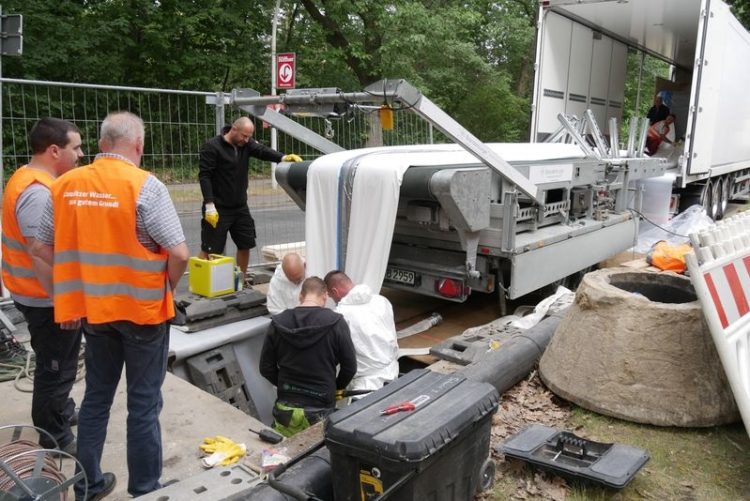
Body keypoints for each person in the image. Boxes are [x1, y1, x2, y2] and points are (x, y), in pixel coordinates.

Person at [31, 111, 190, 500]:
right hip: (142, 315)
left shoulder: (64, 185)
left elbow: (40, 247)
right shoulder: (145, 187)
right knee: (143, 404)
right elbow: (180, 253)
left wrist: (74, 290)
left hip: (94, 314)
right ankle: (145, 489)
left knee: (97, 398)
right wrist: (163, 287)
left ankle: (88, 485)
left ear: (102, 144)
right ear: (138, 145)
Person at [1, 118, 84, 456]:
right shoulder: (37, 192)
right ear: (54, 150)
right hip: (43, 297)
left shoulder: (29, 180)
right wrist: (62, 301)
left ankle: (60, 411)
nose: (80, 155)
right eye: (75, 148)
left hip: (35, 292)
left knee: (58, 361)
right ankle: (54, 436)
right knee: (56, 366)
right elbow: (40, 252)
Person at [198, 117, 302, 283]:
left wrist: (283, 158)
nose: (246, 140)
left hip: (240, 207)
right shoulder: (212, 147)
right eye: (244, 136)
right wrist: (210, 204)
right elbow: (205, 176)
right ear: (234, 129)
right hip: (218, 208)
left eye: (249, 137)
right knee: (210, 249)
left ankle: (241, 279)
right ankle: (203, 283)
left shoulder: (245, 145)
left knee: (245, 244)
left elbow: (262, 151)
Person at [259, 277, 357, 437]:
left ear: (300, 296)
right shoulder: (336, 322)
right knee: (318, 456)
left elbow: (265, 368)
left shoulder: (278, 323)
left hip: (287, 407)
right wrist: (335, 388)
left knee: (285, 452)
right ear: (325, 296)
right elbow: (350, 367)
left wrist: (285, 384)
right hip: (321, 406)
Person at [324, 271, 399, 391]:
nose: (333, 299)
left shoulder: (340, 315)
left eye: (331, 296)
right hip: (393, 372)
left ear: (335, 291)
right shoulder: (382, 301)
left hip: (364, 385)